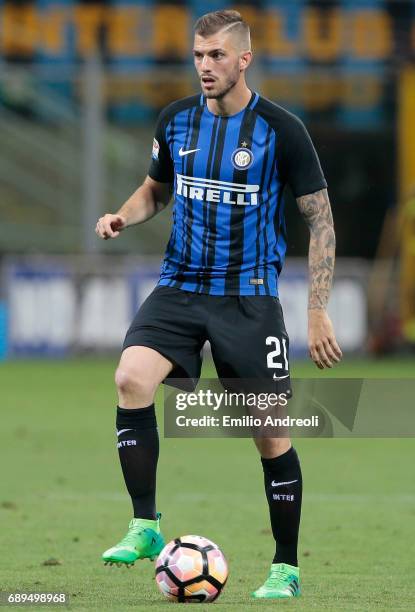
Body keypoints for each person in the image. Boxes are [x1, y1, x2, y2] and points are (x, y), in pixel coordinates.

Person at [95, 9, 342, 599]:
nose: (204, 66)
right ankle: (146, 525)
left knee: (269, 430)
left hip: (249, 297)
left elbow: (321, 221)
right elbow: (157, 187)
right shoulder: (176, 121)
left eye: (216, 57)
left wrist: (316, 307)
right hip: (181, 284)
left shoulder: (281, 130)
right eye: (198, 56)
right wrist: (122, 217)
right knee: (131, 377)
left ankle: (285, 566)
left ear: (244, 60)